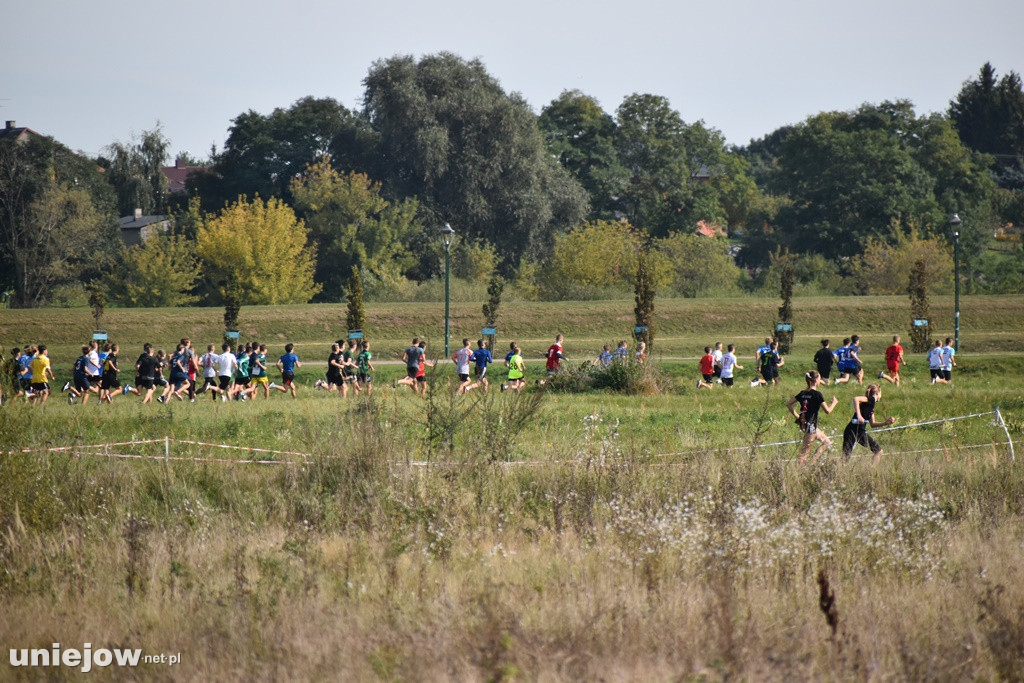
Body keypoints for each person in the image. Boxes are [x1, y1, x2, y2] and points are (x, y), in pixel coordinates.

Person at [788, 370, 840, 465]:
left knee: (827, 443)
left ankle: (811, 464)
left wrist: (797, 416)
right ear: (816, 380)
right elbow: (827, 411)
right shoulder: (817, 394)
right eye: (820, 378)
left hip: (807, 424)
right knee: (804, 453)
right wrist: (834, 403)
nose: (820, 381)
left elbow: (789, 404)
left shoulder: (802, 393)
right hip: (810, 425)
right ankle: (796, 472)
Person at [842, 383, 896, 464]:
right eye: (881, 393)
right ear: (877, 393)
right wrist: (859, 416)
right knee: (845, 458)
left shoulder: (871, 406)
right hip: (852, 430)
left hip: (859, 432)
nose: (881, 396)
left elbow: (873, 424)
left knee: (878, 451)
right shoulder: (871, 399)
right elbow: (856, 399)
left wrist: (885, 423)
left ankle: (871, 471)